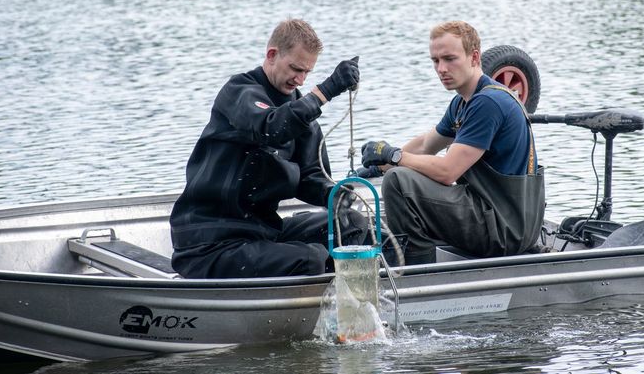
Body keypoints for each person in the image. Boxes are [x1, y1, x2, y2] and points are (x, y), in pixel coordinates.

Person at [170, 18, 367, 278]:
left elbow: (311, 179)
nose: (300, 79)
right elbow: (271, 128)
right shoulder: (239, 92)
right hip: (210, 244)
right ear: (272, 55)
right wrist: (326, 91)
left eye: (307, 72)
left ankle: (347, 306)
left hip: (262, 234)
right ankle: (321, 304)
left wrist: (336, 196)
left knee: (353, 225)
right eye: (295, 69)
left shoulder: (301, 113)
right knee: (311, 259)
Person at [361, 21, 545, 265]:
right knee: (400, 172)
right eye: (435, 61)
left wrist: (394, 157)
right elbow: (427, 144)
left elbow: (448, 172)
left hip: (505, 231)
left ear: (474, 57)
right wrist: (379, 166)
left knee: (399, 183)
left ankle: (417, 276)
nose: (441, 69)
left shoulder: (488, 103)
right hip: (498, 216)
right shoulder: (463, 102)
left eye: (449, 59)